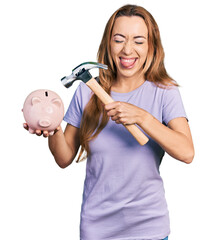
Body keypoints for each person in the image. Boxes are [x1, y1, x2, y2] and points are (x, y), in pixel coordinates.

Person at [24, 4, 194, 240]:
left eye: (138, 40)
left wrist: (142, 117)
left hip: (149, 229)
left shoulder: (165, 92)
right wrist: (52, 128)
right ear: (108, 43)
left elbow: (187, 153)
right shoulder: (86, 93)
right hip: (97, 230)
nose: (127, 50)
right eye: (119, 39)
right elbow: (64, 158)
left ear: (151, 46)